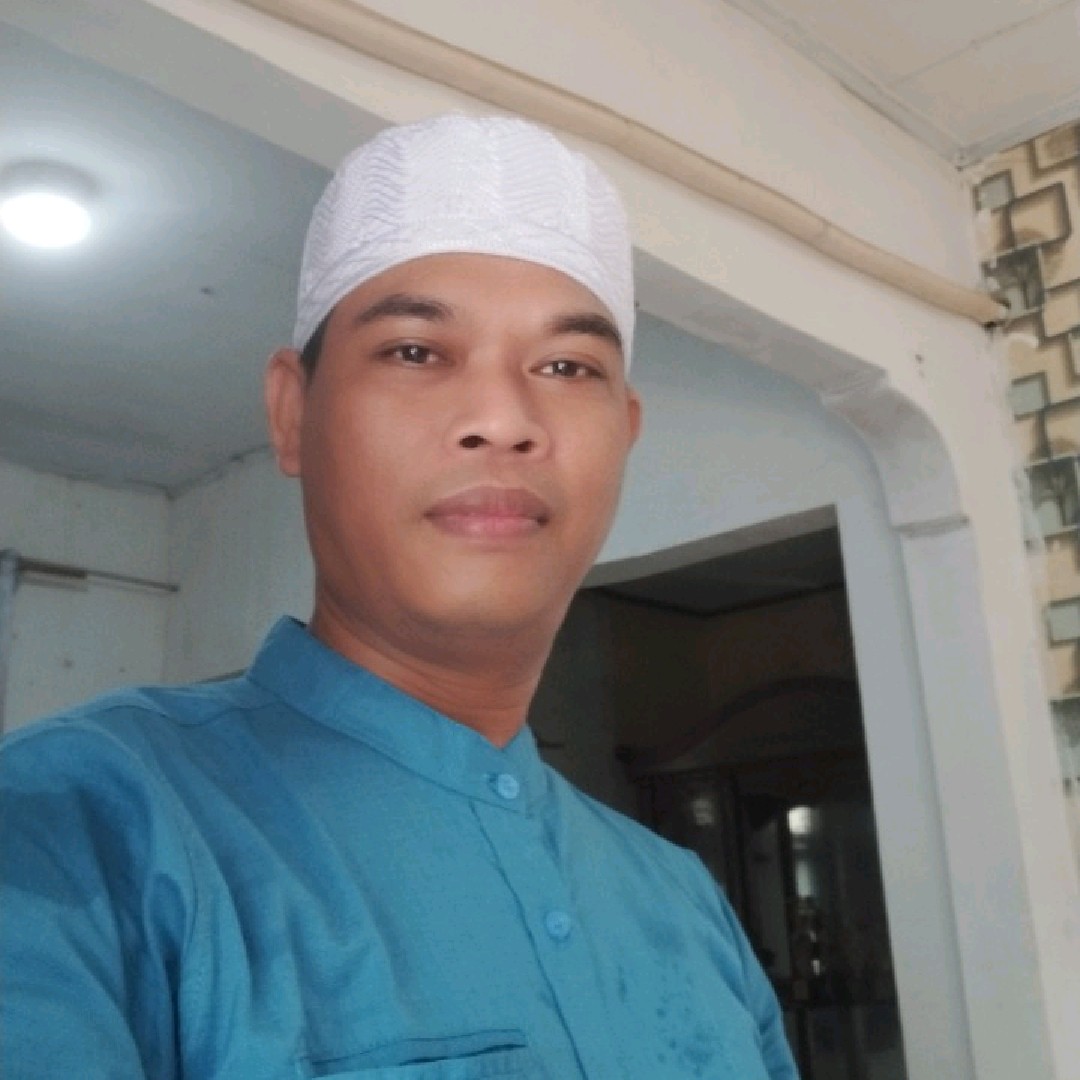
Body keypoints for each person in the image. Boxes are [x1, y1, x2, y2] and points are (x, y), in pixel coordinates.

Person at [0, 115, 798, 1079]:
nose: (502, 419)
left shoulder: (682, 901)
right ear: (293, 414)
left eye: (566, 367)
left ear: (623, 434)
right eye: (416, 351)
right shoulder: (70, 829)